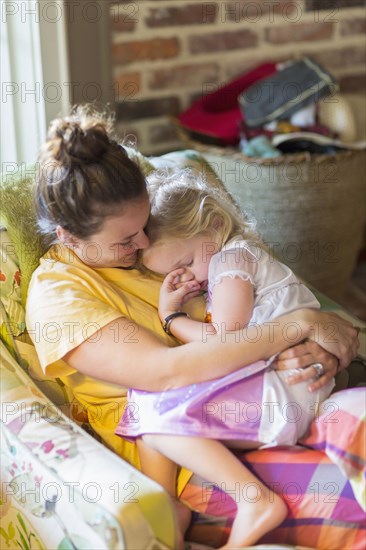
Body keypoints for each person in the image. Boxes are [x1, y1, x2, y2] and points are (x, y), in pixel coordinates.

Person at [26, 105, 358, 547]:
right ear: (68, 236)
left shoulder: (166, 241)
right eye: (125, 240)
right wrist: (298, 326)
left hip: (262, 401)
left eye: (143, 226)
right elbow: (167, 372)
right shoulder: (60, 294)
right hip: (189, 456)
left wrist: (327, 343)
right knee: (352, 508)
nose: (143, 245)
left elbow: (264, 291)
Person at [116, 168, 336, 547]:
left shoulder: (231, 260)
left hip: (285, 391)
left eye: (183, 263)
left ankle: (255, 501)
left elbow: (225, 343)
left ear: (215, 225)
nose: (186, 280)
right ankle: (168, 509)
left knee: (155, 418)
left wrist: (172, 318)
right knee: (146, 416)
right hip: (286, 385)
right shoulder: (232, 259)